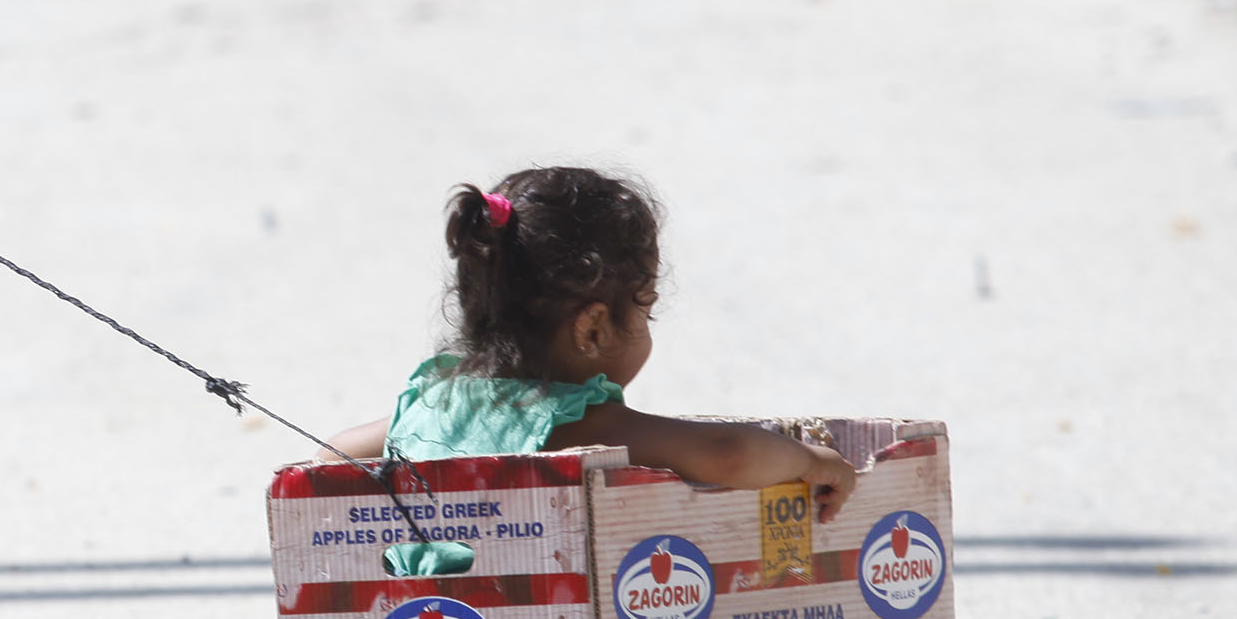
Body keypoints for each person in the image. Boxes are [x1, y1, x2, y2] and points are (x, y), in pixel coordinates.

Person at [323, 165, 857, 510]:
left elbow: (331, 456)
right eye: (644, 311)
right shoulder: (581, 424)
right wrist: (811, 463)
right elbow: (730, 454)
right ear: (593, 327)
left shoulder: (431, 406)